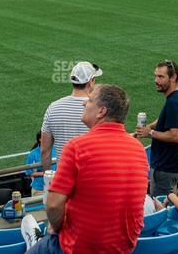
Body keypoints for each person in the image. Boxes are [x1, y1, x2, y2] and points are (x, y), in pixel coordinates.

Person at [25, 84, 148, 254]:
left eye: (89, 100)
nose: (84, 104)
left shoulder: (77, 147)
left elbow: (53, 205)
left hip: (79, 248)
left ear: (101, 111)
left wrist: (57, 228)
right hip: (122, 248)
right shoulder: (138, 149)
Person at [135, 60, 178, 197]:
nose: (156, 80)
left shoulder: (174, 103)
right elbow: (165, 119)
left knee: (160, 207)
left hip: (166, 168)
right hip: (172, 166)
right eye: (156, 76)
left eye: (161, 77)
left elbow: (176, 136)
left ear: (173, 77)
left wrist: (150, 133)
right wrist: (148, 127)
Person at [40, 62, 101, 177]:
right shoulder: (99, 110)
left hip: (63, 178)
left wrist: (47, 177)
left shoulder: (53, 107)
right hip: (92, 177)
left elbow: (45, 151)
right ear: (90, 82)